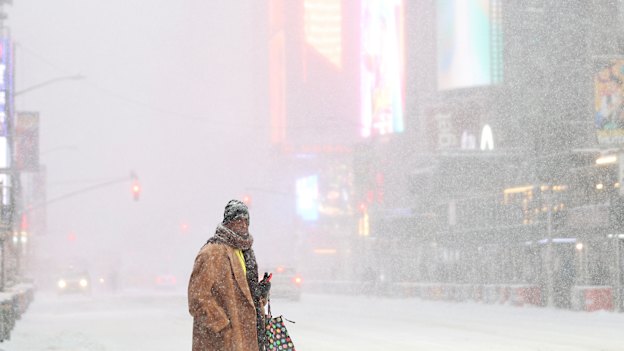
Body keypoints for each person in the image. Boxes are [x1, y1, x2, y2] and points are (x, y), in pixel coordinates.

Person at [188, 199, 271, 351]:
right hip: (222, 343)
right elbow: (197, 298)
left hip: (247, 340)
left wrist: (260, 294)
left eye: (246, 221)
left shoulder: (245, 252)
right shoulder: (212, 252)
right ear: (227, 222)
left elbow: (244, 298)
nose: (243, 224)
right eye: (238, 220)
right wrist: (223, 326)